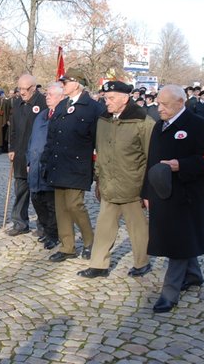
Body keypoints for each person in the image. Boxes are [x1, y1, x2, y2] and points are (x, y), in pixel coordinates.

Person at [142, 84, 204, 313]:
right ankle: (194, 275)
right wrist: (146, 193)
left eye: (164, 104)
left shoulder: (199, 125)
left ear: (180, 102)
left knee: (179, 243)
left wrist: (181, 165)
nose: (160, 108)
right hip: (162, 193)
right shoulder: (158, 126)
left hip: (188, 197)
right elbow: (151, 163)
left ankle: (169, 293)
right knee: (177, 239)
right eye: (158, 103)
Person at [77, 81, 155, 278]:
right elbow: (100, 151)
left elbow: (152, 158)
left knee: (137, 229)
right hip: (108, 185)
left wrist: (148, 189)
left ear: (125, 98)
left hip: (133, 187)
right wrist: (98, 178)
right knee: (104, 227)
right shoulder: (103, 120)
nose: (107, 102)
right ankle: (99, 265)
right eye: (105, 98)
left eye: (111, 98)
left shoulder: (143, 123)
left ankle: (142, 262)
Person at [42, 69, 105, 262]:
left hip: (78, 165)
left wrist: (98, 170)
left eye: (66, 82)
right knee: (61, 208)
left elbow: (100, 141)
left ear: (77, 83)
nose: (63, 85)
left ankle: (90, 241)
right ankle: (67, 246)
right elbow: (51, 136)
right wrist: (46, 159)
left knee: (74, 205)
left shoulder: (93, 108)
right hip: (58, 164)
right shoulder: (62, 106)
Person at [7, 74, 46, 236]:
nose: (22, 92)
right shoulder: (17, 103)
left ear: (34, 88)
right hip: (20, 154)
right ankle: (20, 223)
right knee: (20, 190)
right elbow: (13, 128)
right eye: (20, 89)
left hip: (37, 155)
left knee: (39, 194)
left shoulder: (43, 103)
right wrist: (11, 148)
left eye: (25, 89)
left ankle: (43, 225)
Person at [27, 82, 63, 250]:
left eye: (51, 94)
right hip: (35, 166)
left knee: (51, 203)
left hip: (50, 167)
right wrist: (28, 161)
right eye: (47, 94)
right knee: (36, 200)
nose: (47, 97)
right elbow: (32, 140)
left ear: (61, 97)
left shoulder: (63, 115)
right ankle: (47, 231)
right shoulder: (42, 115)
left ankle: (54, 234)